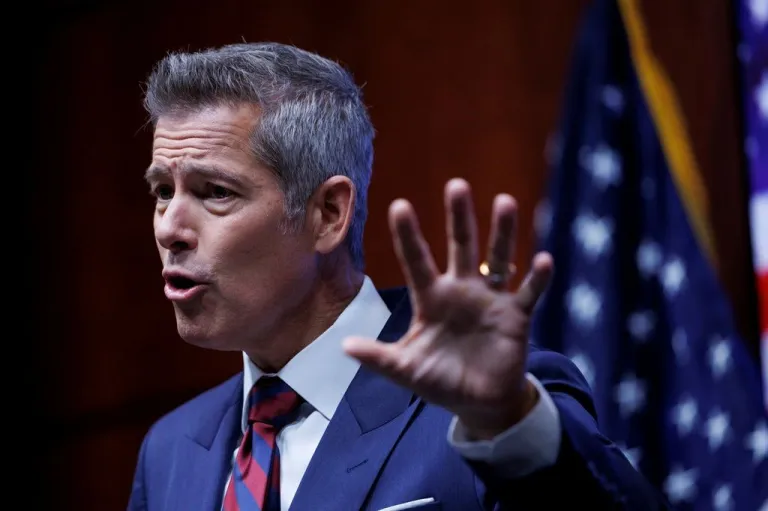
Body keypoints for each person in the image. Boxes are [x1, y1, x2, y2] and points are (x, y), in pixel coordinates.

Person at [127, 42, 669, 510]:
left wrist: (509, 421)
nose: (170, 228)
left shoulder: (485, 400)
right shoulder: (171, 450)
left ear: (328, 214)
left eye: (215, 192)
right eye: (162, 191)